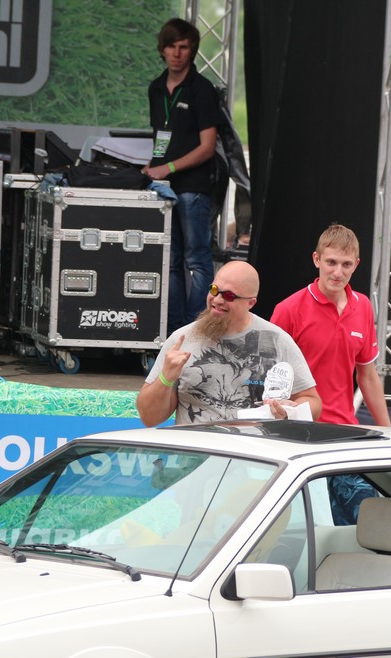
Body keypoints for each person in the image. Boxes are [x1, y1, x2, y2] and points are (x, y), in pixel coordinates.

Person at [138, 260, 322, 426]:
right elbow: (149, 418)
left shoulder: (276, 340)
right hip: (194, 452)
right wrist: (166, 378)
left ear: (251, 303)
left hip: (254, 451)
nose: (217, 300)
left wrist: (290, 410)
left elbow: (313, 403)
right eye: (214, 290)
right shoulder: (181, 340)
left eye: (229, 296)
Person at [142, 17, 222, 335]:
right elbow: (161, 138)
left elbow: (208, 147)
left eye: (184, 47)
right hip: (163, 188)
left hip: (193, 189)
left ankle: (196, 327)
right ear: (162, 49)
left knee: (197, 259)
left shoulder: (202, 90)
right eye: (171, 46)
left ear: (192, 51)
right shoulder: (155, 87)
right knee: (170, 260)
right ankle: (175, 328)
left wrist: (169, 167)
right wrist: (153, 167)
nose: (177, 54)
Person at [271, 224, 391, 426]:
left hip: (345, 427)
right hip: (298, 428)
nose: (338, 272)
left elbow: (368, 376)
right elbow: (266, 374)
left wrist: (388, 430)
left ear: (356, 265)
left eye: (346, 264)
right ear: (316, 259)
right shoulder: (288, 310)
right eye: (331, 262)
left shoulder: (363, 306)